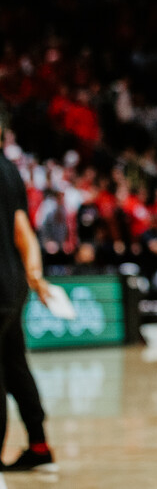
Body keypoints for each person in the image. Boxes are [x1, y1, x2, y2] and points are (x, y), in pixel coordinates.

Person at [0, 105, 56, 472]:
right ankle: (38, 445)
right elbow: (23, 229)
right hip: (13, 284)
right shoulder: (9, 170)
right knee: (14, 363)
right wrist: (34, 275)